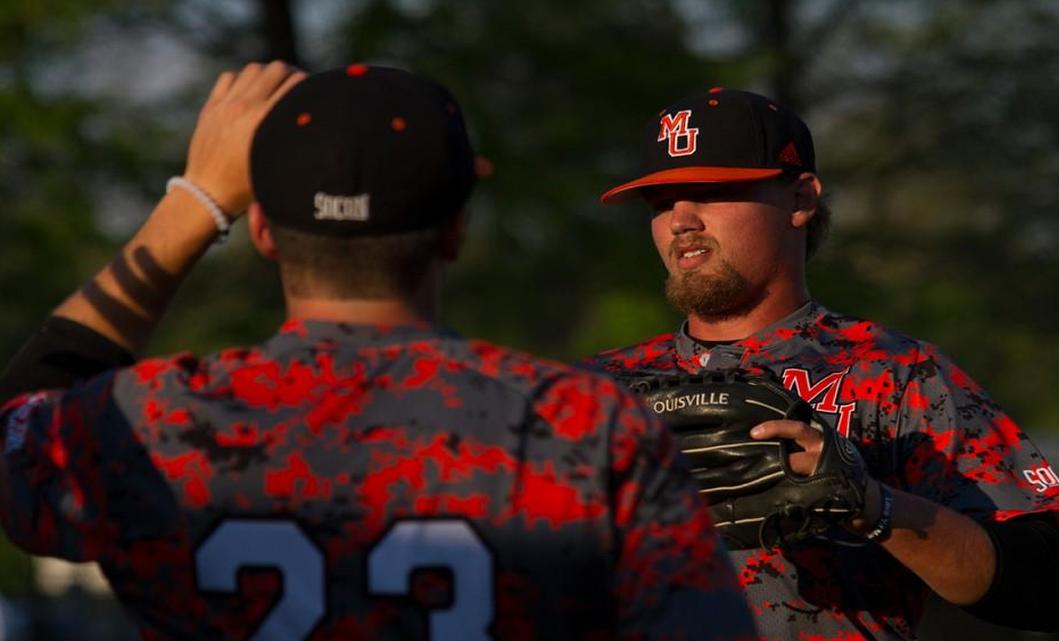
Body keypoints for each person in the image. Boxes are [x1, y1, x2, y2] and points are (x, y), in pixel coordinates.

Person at [0, 63, 757, 641]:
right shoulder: (587, 427)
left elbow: (16, 433)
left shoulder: (153, 423)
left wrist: (194, 202)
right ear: (455, 230)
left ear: (262, 231)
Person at [584, 87, 1059, 640]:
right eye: (660, 202)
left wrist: (872, 504)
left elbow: (1041, 585)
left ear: (800, 199)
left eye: (712, 191)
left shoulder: (894, 372)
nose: (681, 220)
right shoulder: (592, 393)